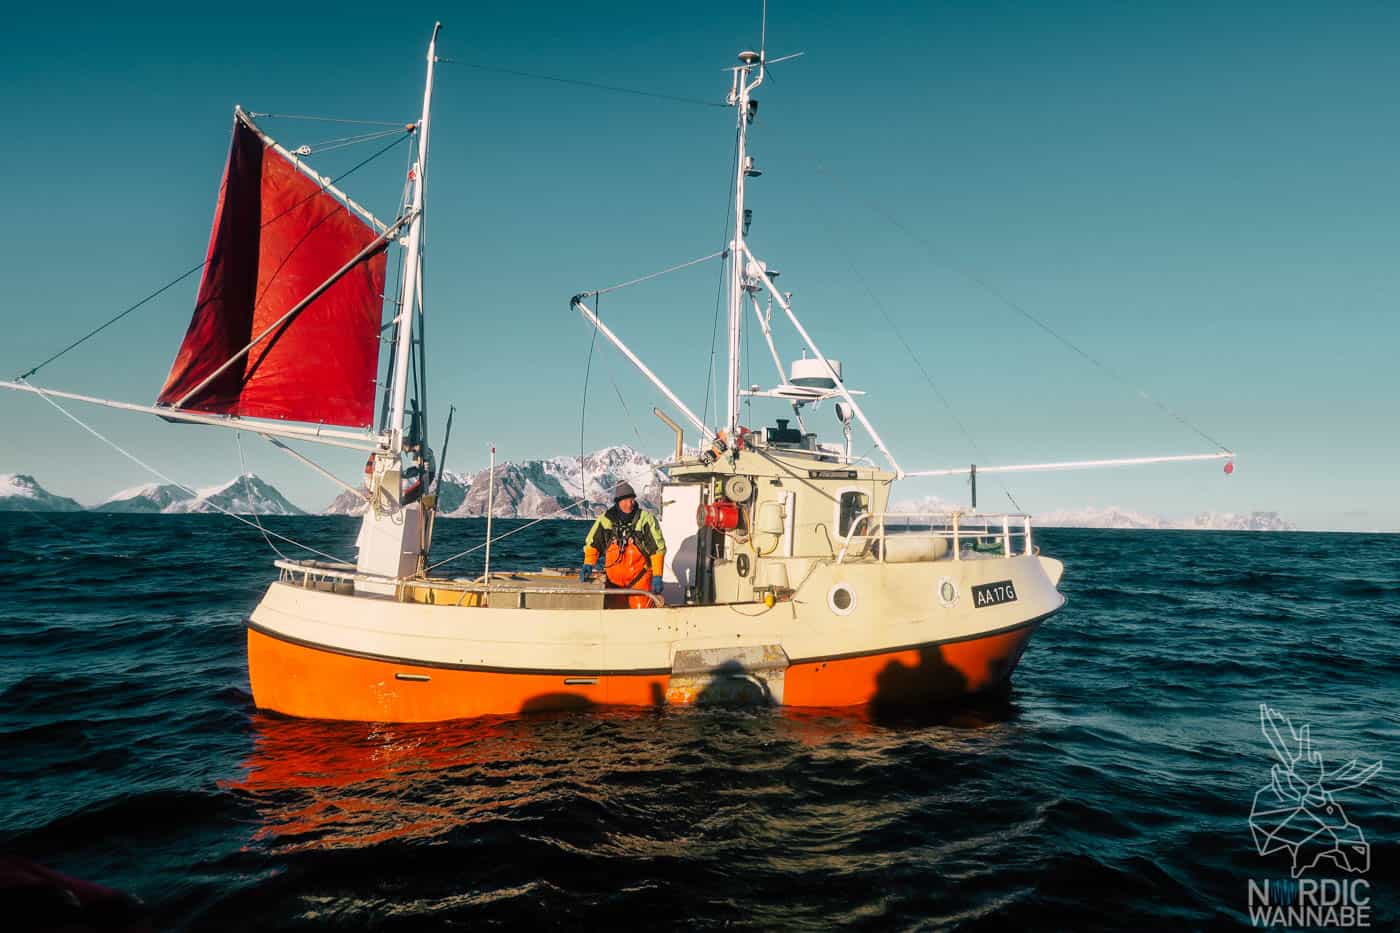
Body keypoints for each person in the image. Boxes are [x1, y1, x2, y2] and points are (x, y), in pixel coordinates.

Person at [580, 482, 666, 608]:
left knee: (642, 616)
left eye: (632, 499)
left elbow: (658, 549)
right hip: (614, 584)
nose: (629, 503)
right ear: (618, 502)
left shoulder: (646, 519)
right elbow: (593, 544)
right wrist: (588, 563)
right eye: (625, 500)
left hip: (640, 582)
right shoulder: (606, 520)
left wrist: (657, 575)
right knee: (613, 616)